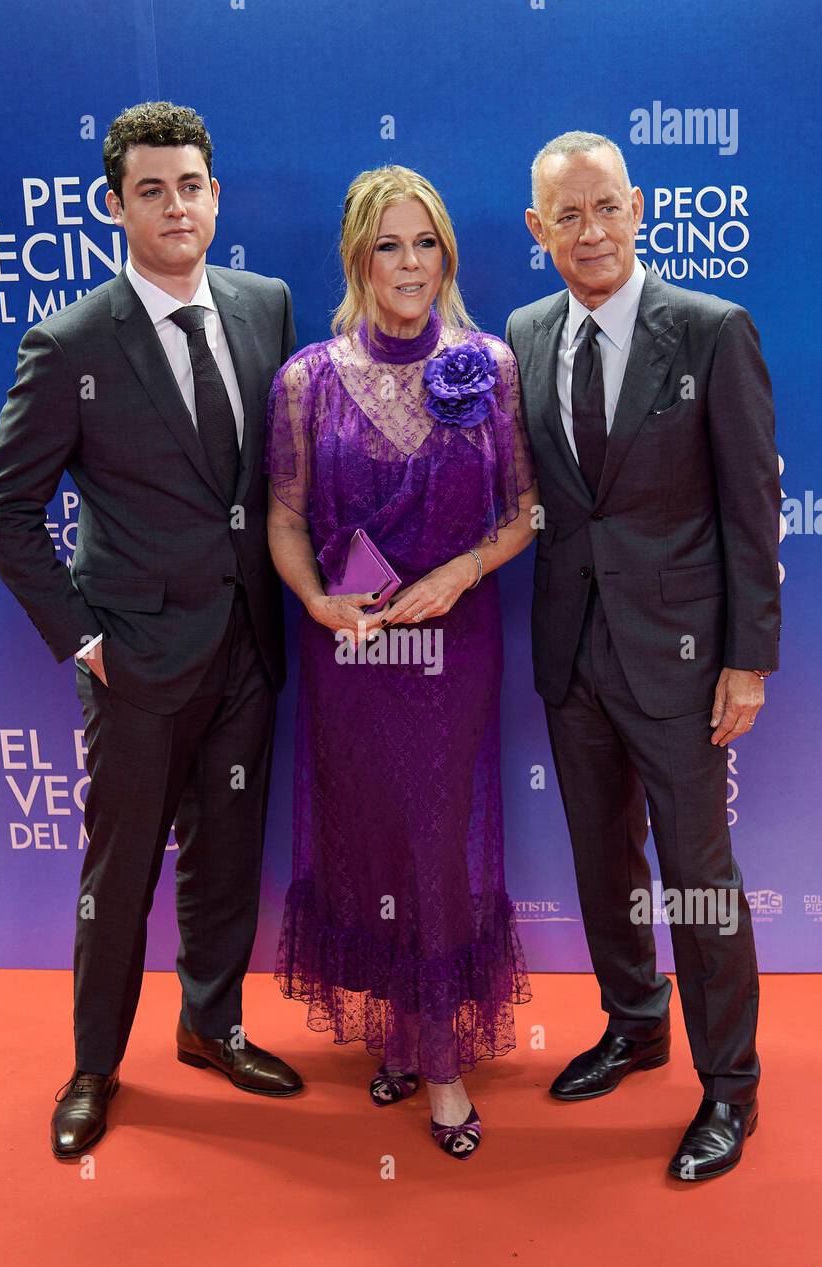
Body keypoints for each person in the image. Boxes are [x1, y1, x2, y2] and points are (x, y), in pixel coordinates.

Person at [0, 100, 303, 1160]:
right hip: (134, 660)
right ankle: (94, 1067)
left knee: (227, 855)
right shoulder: (69, 342)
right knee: (119, 876)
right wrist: (82, 638)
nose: (176, 205)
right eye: (151, 189)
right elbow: (4, 510)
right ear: (113, 205)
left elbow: (284, 477)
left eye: (192, 185)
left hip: (248, 649)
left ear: (216, 194)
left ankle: (212, 1025)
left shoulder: (266, 306)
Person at [506, 131, 781, 1181]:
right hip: (569, 650)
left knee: (698, 877)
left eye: (606, 208)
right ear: (537, 231)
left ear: (638, 207)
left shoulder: (710, 332)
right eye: (566, 216)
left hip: (679, 658)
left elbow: (751, 508)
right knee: (600, 858)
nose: (590, 232)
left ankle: (729, 1087)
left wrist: (744, 659)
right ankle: (634, 1022)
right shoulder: (524, 333)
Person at [265, 165, 538, 1159]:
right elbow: (285, 520)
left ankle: (440, 1062)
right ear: (356, 257)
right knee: (370, 839)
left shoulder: (490, 366)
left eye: (424, 243)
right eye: (389, 244)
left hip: (450, 648)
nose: (409, 263)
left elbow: (522, 514)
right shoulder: (305, 379)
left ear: (447, 256)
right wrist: (313, 600)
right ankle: (398, 1031)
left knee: (435, 837)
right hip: (350, 650)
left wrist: (461, 571)